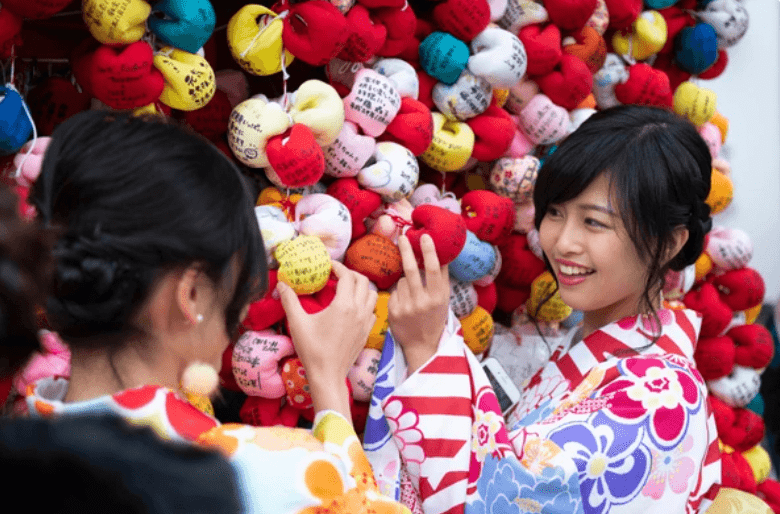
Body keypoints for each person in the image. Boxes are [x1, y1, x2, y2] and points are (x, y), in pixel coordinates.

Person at [21, 110, 408, 514]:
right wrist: (328, 383)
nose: (229, 334)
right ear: (190, 295)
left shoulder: (24, 452)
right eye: (234, 301)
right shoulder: (253, 475)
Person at [365, 105, 724, 514]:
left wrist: (427, 352)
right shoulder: (599, 355)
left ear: (670, 243)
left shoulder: (664, 396)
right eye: (555, 212)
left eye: (594, 222)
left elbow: (499, 499)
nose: (562, 242)